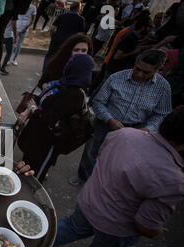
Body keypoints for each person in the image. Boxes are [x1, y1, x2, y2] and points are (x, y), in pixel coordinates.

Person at [54, 106, 184, 247]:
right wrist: (156, 232)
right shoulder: (173, 179)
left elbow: (102, 159)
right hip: (114, 228)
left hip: (89, 202)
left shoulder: (125, 135)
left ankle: (34, 245)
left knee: (69, 228)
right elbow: (144, 224)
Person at [70, 49, 173, 185]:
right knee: (92, 152)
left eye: (146, 72)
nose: (140, 74)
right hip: (105, 124)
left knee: (122, 160)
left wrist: (146, 129)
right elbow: (98, 102)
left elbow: (161, 114)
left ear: (157, 70)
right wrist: (110, 120)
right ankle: (84, 177)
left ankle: (106, 184)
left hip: (136, 131)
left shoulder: (163, 87)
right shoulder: (116, 78)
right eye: (137, 69)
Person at [17, 54, 95, 183]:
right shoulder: (64, 83)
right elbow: (46, 102)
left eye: (70, 63)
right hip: (37, 138)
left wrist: (33, 109)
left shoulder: (74, 94)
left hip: (46, 144)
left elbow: (49, 119)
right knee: (25, 165)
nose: (66, 65)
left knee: (33, 176)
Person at [42, 1, 85, 71]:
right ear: (78, 8)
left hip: (57, 39)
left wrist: (53, 36)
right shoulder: (80, 19)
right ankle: (57, 72)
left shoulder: (62, 16)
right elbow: (80, 34)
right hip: (69, 42)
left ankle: (45, 71)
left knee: (49, 56)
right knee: (64, 58)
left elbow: (52, 28)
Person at [10, 1, 37, 67]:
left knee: (13, 43)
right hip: (24, 27)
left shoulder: (19, 4)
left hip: (17, 25)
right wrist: (26, 28)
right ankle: (14, 60)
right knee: (18, 44)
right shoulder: (33, 7)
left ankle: (9, 59)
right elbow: (32, 21)